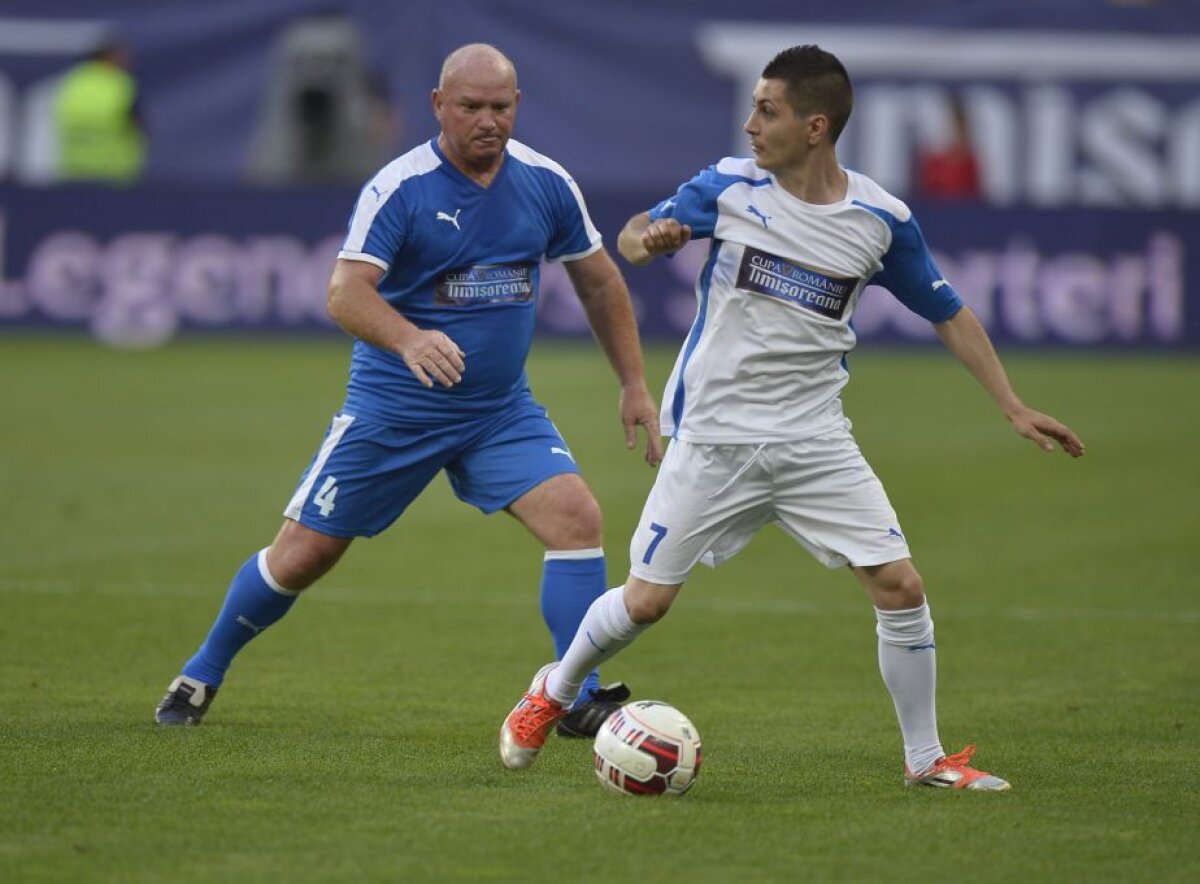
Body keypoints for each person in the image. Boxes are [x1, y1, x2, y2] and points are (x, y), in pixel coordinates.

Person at [499, 45, 1085, 789]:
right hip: (714, 439)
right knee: (646, 602)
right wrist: (653, 238)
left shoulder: (880, 219)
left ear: (815, 127)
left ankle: (926, 760)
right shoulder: (730, 187)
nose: (750, 124)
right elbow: (633, 235)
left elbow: (947, 309)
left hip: (815, 440)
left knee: (901, 587)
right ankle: (550, 693)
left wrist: (1011, 404)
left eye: (767, 111)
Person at [156, 44, 663, 735]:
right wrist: (410, 338)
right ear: (437, 105)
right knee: (303, 556)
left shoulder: (546, 182)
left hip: (497, 411)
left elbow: (599, 278)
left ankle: (577, 698)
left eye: (501, 107)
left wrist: (633, 381)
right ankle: (202, 671)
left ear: (518, 106)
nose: (488, 120)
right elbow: (344, 294)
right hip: (394, 410)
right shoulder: (400, 187)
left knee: (578, 520)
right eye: (471, 107)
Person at [54, 38, 146, 183]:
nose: (127, 60)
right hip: (115, 172)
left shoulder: (72, 82)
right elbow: (138, 124)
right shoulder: (121, 84)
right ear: (107, 57)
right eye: (121, 56)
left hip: (74, 169)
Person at [915, 96, 983, 202]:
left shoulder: (971, 163)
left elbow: (975, 197)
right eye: (949, 127)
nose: (952, 133)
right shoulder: (934, 163)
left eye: (957, 128)